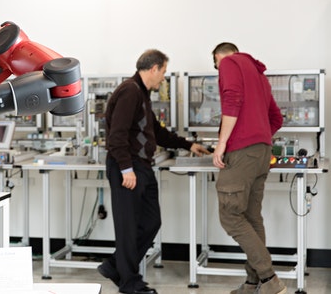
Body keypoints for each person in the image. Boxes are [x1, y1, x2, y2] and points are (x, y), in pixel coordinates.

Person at [98, 49, 210, 294]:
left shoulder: (141, 94)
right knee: (128, 227)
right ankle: (130, 284)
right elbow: (116, 135)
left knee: (151, 221)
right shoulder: (130, 91)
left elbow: (156, 132)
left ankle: (115, 266)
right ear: (154, 68)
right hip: (128, 166)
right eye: (163, 72)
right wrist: (126, 169)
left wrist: (188, 144)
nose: (163, 78)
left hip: (142, 166)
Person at [211, 42, 285, 294]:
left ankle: (269, 278)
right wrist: (258, 135)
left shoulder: (230, 63)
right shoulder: (259, 75)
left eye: (215, 65)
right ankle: (254, 283)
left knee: (230, 214)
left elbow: (232, 98)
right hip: (262, 152)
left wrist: (222, 143)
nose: (218, 70)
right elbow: (277, 118)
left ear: (220, 57)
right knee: (252, 218)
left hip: (241, 153)